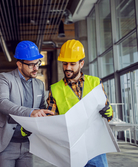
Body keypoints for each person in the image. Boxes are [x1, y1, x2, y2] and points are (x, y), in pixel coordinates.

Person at [0, 41, 54, 167]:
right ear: (19, 64)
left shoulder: (39, 85)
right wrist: (30, 112)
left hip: (27, 145)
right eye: (31, 65)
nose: (36, 68)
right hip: (5, 144)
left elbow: (42, 108)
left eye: (37, 63)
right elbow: (2, 102)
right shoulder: (5, 78)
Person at [47, 39, 113, 167]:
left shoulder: (95, 83)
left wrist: (108, 111)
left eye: (72, 64)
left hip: (95, 148)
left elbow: (108, 116)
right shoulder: (55, 89)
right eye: (65, 64)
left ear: (81, 63)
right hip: (71, 148)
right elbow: (51, 120)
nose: (68, 68)